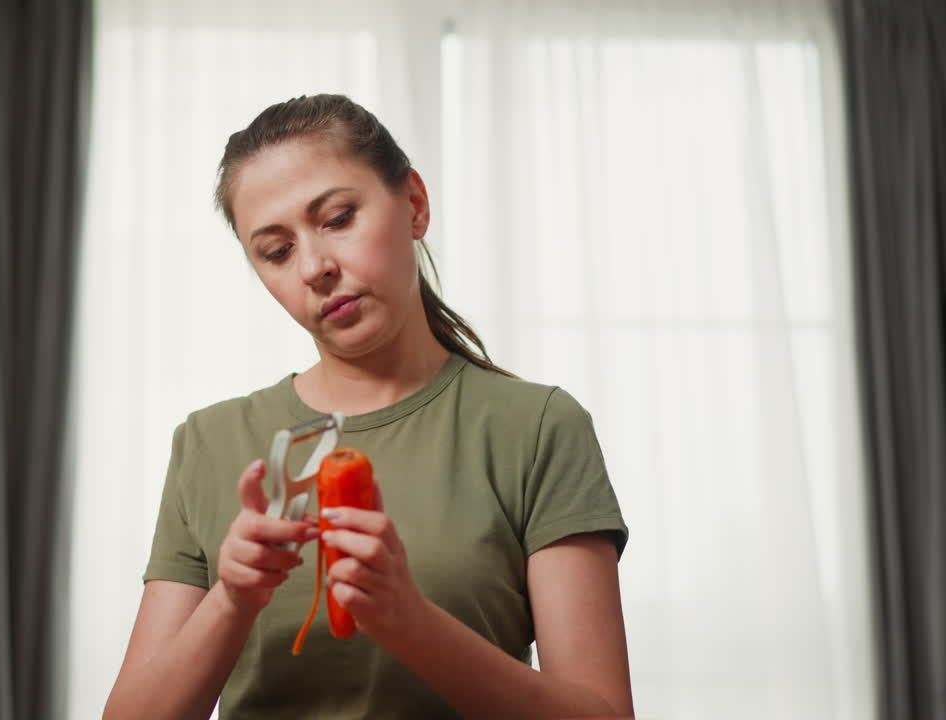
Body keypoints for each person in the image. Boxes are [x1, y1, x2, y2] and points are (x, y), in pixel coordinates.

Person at [103, 94, 633, 720]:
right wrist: (232, 600)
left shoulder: (538, 428)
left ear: (413, 204)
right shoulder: (209, 443)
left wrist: (408, 622)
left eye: (337, 218)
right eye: (277, 251)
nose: (316, 268)